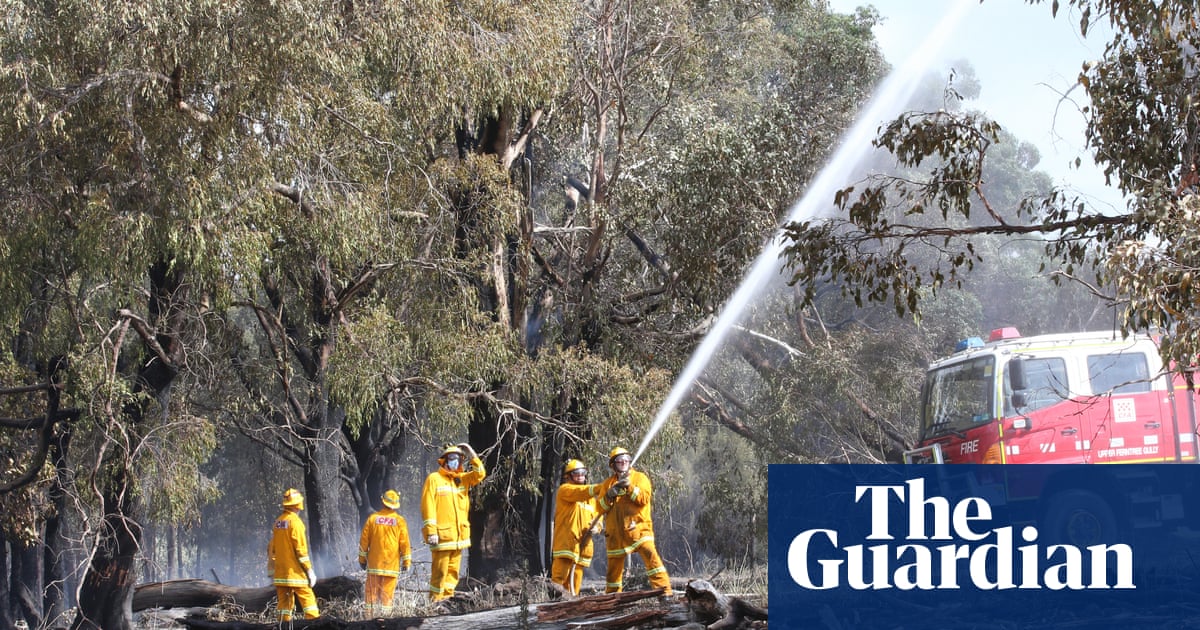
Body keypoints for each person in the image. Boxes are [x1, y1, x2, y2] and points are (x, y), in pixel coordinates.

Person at [594, 446, 672, 597]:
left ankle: (665, 594)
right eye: (619, 460)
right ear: (613, 464)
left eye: (626, 459)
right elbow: (600, 508)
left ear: (630, 461)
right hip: (616, 536)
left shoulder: (640, 478)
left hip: (638, 529)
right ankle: (611, 601)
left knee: (652, 559)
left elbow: (644, 499)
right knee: (613, 573)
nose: (623, 462)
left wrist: (629, 487)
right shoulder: (607, 484)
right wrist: (609, 495)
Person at [420, 442, 486, 602]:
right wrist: (431, 531)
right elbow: (427, 506)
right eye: (451, 458)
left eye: (457, 458)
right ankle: (434, 603)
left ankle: (446, 602)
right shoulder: (434, 479)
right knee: (439, 573)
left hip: (458, 539)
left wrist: (471, 453)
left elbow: (480, 474)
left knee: (453, 574)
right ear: (444, 460)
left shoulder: (462, 480)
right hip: (442, 537)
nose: (454, 461)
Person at [358, 489, 413, 617]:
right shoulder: (400, 521)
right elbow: (405, 543)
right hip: (391, 567)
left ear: (383, 503)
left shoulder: (373, 519)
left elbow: (364, 541)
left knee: (371, 595)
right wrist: (406, 562)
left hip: (374, 565)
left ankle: (369, 619)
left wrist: (362, 560)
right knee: (387, 597)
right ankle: (385, 620)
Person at [267, 488, 320, 620]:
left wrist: (272, 570)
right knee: (309, 602)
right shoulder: (295, 523)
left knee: (284, 606)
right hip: (295, 573)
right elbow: (301, 550)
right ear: (298, 505)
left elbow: (271, 548)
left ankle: (283, 627)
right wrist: (309, 571)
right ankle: (315, 625)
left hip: (281, 573)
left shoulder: (278, 522)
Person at [550, 459, 601, 595]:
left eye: (583, 473)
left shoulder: (591, 499)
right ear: (568, 476)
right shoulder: (565, 490)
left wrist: (598, 527)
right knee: (559, 579)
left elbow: (599, 515)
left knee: (576, 580)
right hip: (567, 543)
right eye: (577, 473)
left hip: (583, 546)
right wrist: (601, 487)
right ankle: (555, 604)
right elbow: (580, 492)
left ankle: (572, 604)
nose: (581, 476)